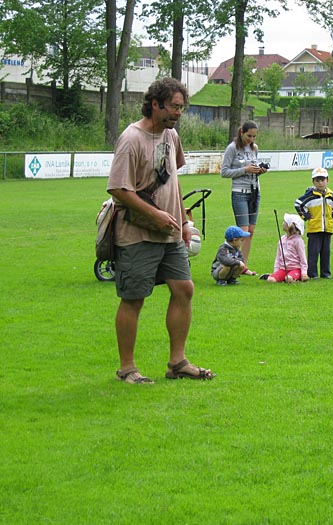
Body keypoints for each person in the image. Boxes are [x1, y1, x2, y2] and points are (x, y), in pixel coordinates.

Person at [107, 77, 215, 384]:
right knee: (134, 298)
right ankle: (127, 368)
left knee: (185, 289)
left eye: (182, 107)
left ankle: (177, 362)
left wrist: (182, 222)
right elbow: (118, 188)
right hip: (137, 233)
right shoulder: (132, 138)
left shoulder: (171, 136)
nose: (178, 113)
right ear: (155, 104)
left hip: (169, 233)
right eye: (174, 107)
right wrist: (155, 215)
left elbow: (173, 181)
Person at [221, 120, 268, 264]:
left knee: (251, 232)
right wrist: (244, 170)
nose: (252, 139)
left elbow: (252, 170)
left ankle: (244, 264)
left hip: (254, 192)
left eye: (254, 137)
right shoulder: (232, 148)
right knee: (243, 232)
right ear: (242, 132)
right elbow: (224, 172)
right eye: (249, 136)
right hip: (239, 193)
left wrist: (259, 171)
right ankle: (235, 262)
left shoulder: (255, 149)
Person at [294, 167, 333, 279]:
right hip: (314, 228)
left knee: (326, 253)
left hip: (328, 228)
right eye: (317, 180)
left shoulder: (332, 195)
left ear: (327, 180)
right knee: (313, 253)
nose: (320, 183)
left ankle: (326, 273)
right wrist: (305, 215)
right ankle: (312, 274)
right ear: (313, 181)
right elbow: (298, 204)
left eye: (322, 180)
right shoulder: (310, 195)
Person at [262, 213, 309, 282]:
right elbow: (278, 257)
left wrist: (304, 273)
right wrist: (276, 271)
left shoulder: (298, 241)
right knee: (270, 280)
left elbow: (303, 258)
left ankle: (294, 277)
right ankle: (275, 276)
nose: (283, 223)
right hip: (283, 269)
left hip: (295, 269)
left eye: (284, 222)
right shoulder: (282, 239)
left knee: (289, 279)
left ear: (290, 226)